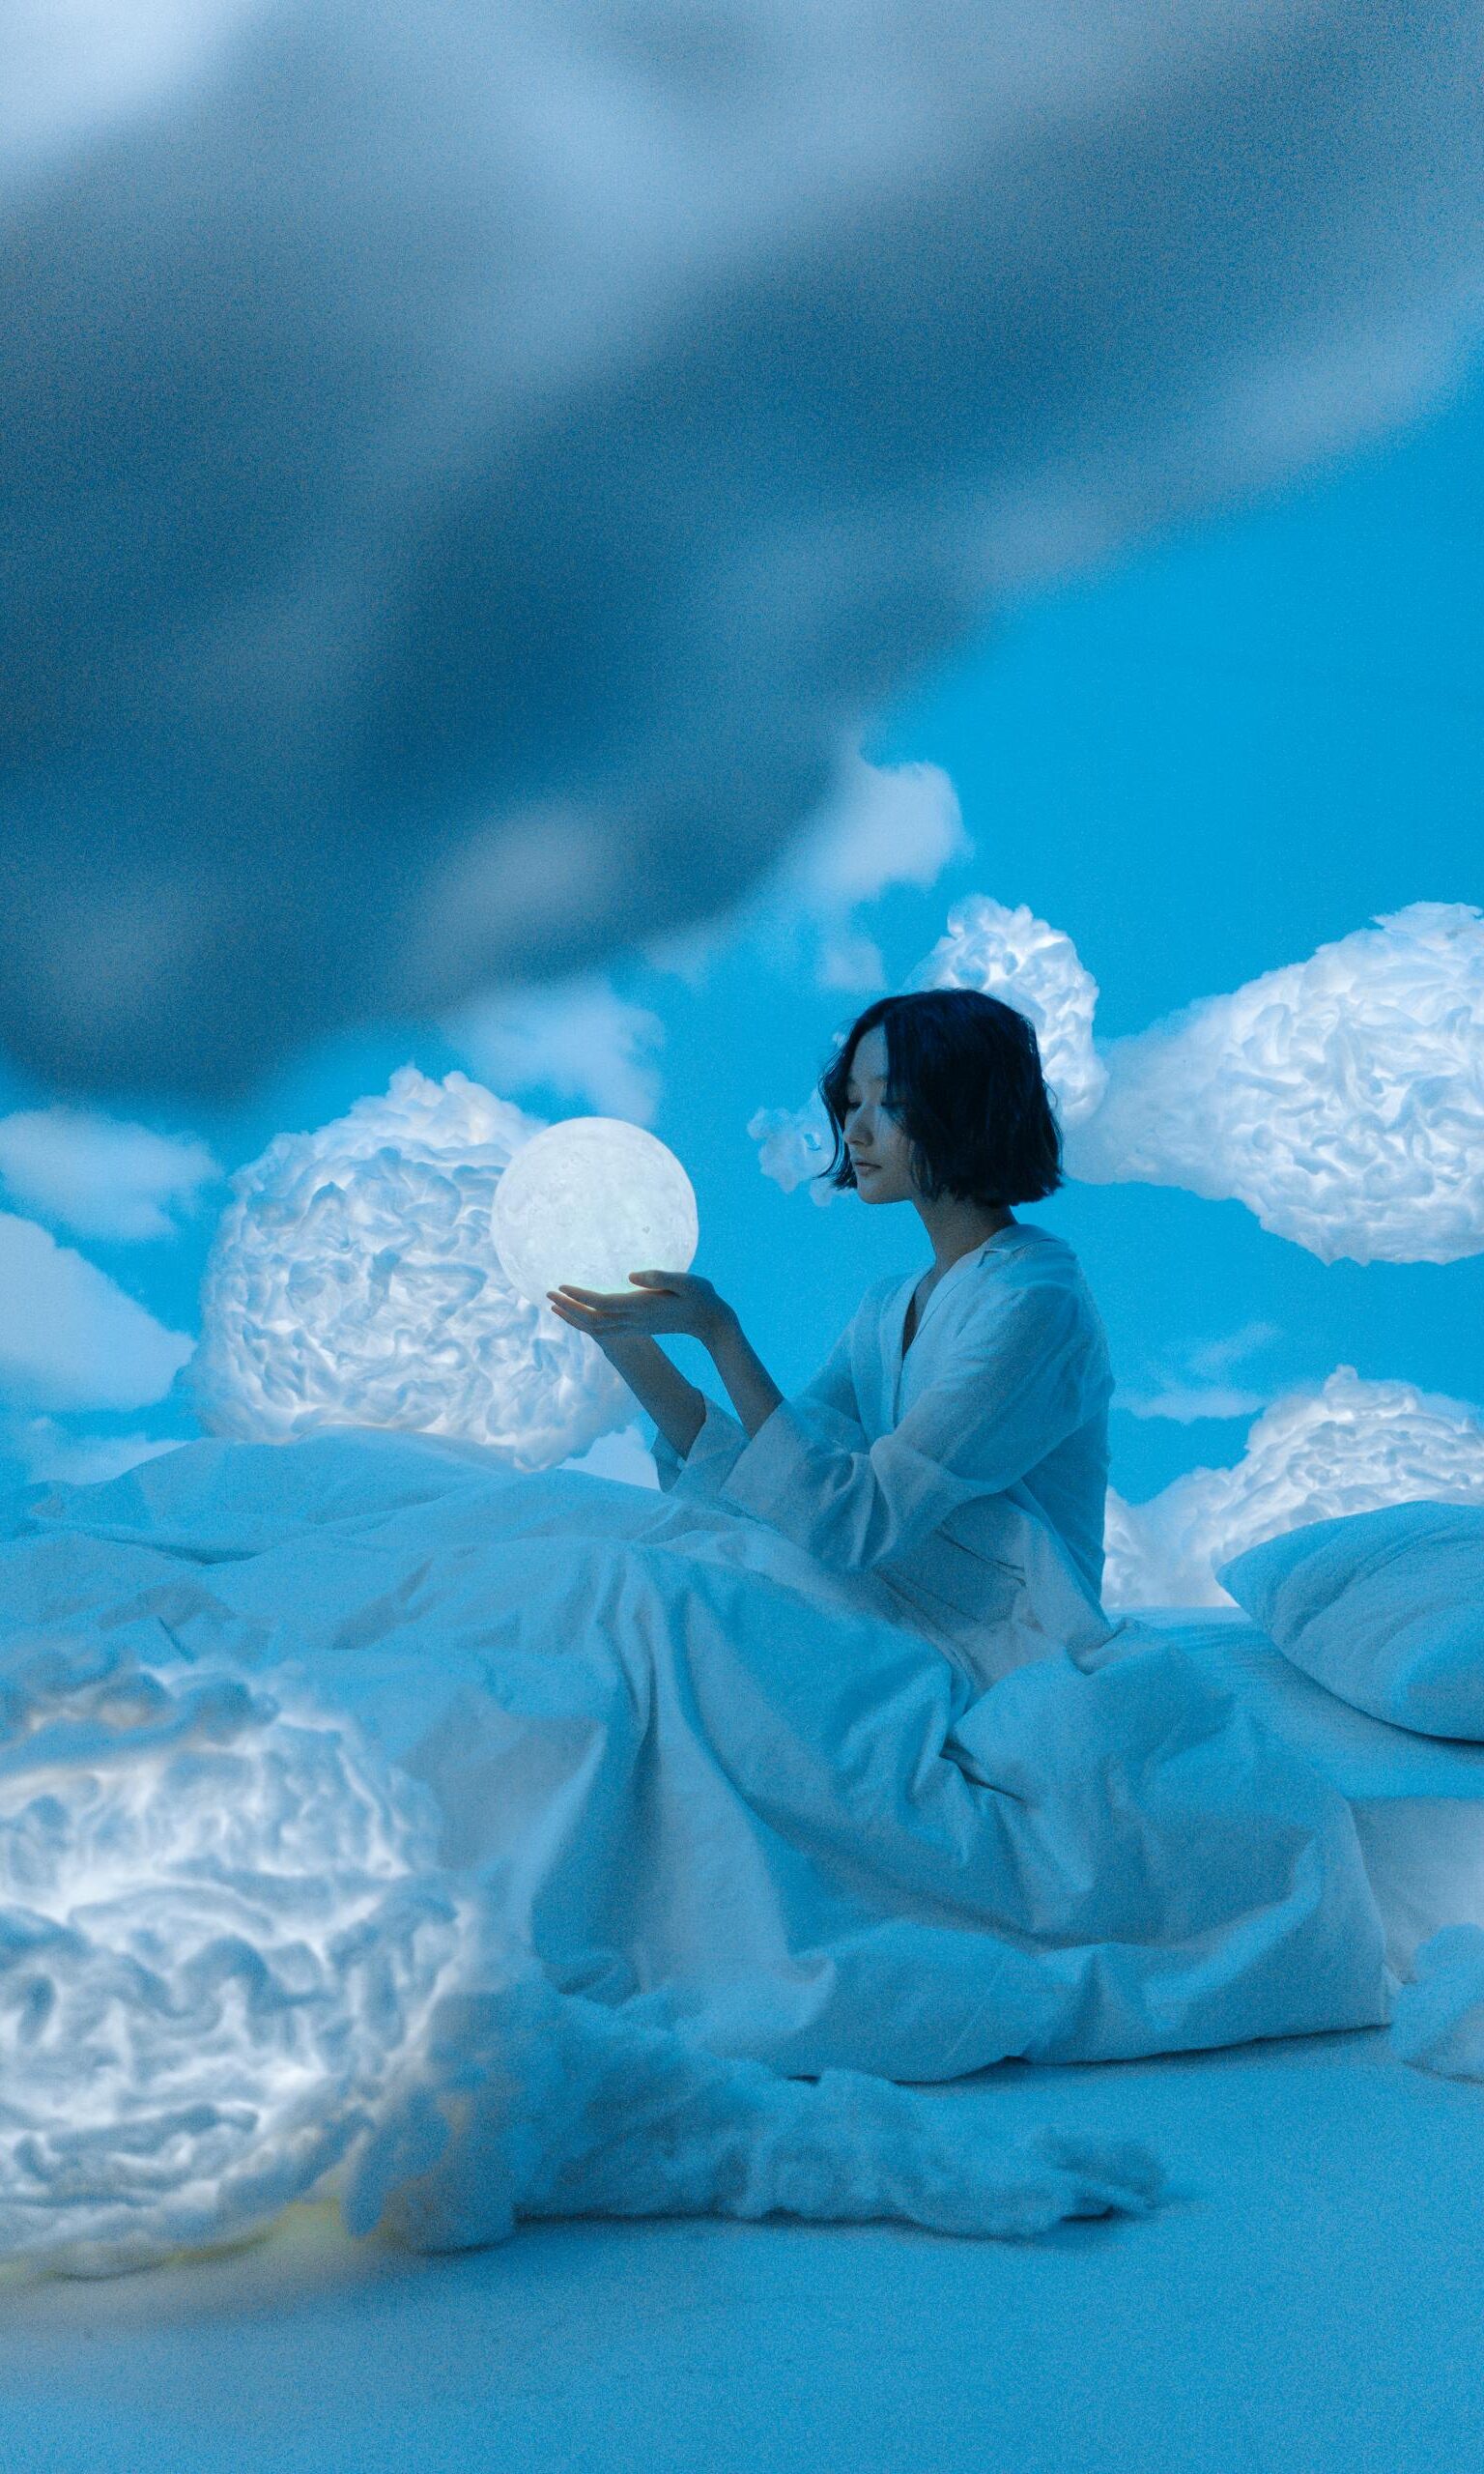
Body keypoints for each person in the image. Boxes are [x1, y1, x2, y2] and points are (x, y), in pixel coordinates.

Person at [0, 994, 1390, 2095]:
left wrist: (721, 1336)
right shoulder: (901, 1301)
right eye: (848, 1102)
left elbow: (853, 1514)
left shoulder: (1032, 1306)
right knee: (568, 1531)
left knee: (631, 1593)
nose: (853, 1130)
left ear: (958, 1111)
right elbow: (751, 1494)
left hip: (980, 1640)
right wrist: (633, 1354)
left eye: (881, 1103)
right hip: (872, 1587)